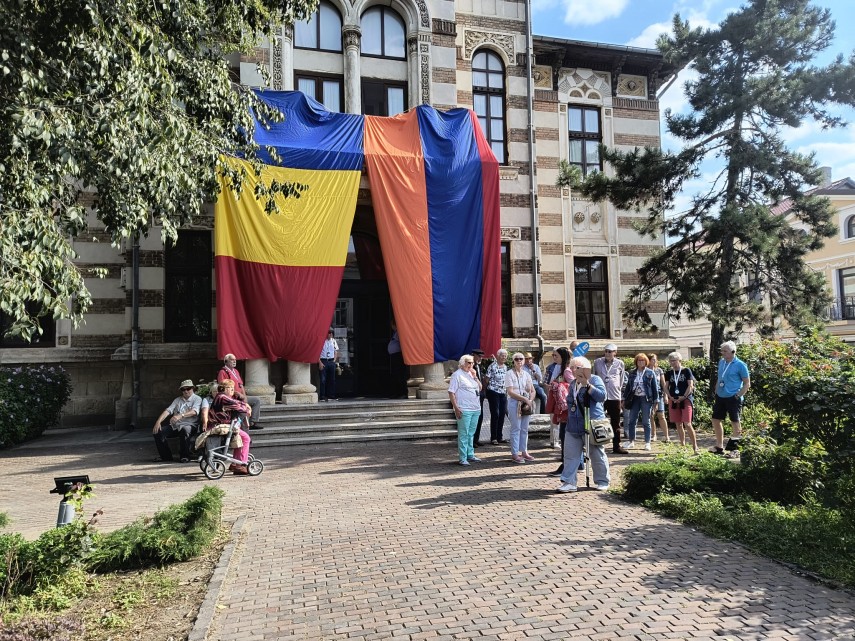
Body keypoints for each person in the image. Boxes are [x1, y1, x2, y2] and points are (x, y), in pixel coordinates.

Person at [556, 356, 610, 493]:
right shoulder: (573, 384)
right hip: (574, 424)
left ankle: (602, 480)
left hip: (592, 423)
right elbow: (570, 401)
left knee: (596, 453)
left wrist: (588, 386)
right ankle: (569, 482)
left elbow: (602, 396)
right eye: (573, 367)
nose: (574, 370)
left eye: (578, 367)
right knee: (570, 454)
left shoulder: (595, 380)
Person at [710, 340, 750, 455]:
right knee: (716, 419)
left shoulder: (741, 365)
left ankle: (735, 449)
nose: (722, 353)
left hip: (733, 397)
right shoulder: (722, 362)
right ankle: (719, 446)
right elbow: (719, 378)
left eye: (725, 351)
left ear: (733, 351)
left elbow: (747, 383)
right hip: (720, 396)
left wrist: (738, 395)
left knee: (735, 422)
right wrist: (716, 391)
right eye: (722, 351)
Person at [152, 379, 202, 463]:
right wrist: (158, 422)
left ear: (193, 388)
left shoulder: (197, 399)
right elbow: (168, 411)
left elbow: (194, 411)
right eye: (183, 389)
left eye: (188, 388)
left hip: (190, 425)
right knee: (158, 431)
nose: (186, 391)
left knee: (185, 429)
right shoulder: (177, 400)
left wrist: (180, 415)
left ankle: (185, 456)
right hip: (176, 426)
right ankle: (166, 457)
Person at [209, 379, 252, 475]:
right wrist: (246, 407)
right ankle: (241, 464)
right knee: (246, 438)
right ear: (223, 388)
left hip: (222, 424)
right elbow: (237, 405)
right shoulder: (222, 397)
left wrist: (244, 404)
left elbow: (236, 403)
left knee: (240, 437)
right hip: (220, 424)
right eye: (229, 388)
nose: (231, 390)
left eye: (232, 388)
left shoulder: (221, 397)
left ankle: (235, 463)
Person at [593, 343, 629, 454]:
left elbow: (622, 379)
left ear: (615, 353)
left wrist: (617, 389)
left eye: (610, 351)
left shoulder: (620, 363)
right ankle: (598, 445)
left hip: (614, 396)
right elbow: (594, 377)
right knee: (597, 421)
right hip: (600, 396)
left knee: (616, 422)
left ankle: (616, 446)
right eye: (606, 351)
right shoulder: (597, 362)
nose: (608, 353)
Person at [448, 355, 483, 465]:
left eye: (472, 363)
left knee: (471, 433)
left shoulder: (471, 374)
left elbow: (480, 388)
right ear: (462, 363)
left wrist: (476, 377)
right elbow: (451, 392)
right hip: (464, 409)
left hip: (476, 408)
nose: (471, 365)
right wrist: (456, 408)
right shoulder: (457, 375)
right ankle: (463, 457)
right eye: (469, 362)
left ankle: (470, 454)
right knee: (464, 434)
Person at [622, 353, 659, 450]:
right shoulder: (632, 373)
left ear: (646, 361)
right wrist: (624, 399)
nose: (641, 362)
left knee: (646, 421)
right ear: (636, 362)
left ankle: (647, 442)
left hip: (646, 399)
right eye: (639, 360)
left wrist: (656, 401)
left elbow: (655, 388)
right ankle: (631, 441)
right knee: (632, 420)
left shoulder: (650, 373)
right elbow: (628, 388)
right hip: (634, 398)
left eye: (643, 360)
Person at [664, 351, 698, 454]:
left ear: (679, 360)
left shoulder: (686, 371)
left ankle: (695, 446)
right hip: (674, 400)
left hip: (685, 399)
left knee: (687, 423)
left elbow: (690, 385)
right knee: (678, 424)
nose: (672, 363)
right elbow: (666, 386)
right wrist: (669, 396)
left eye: (674, 361)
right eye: (670, 361)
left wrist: (683, 397)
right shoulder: (669, 373)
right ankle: (682, 445)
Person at [218, 354, 263, 429]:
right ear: (226, 361)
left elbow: (241, 385)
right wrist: (238, 394)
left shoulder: (236, 371)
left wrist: (244, 396)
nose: (234, 361)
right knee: (242, 406)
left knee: (256, 400)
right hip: (232, 399)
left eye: (235, 359)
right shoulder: (223, 372)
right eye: (232, 359)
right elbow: (224, 387)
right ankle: (244, 424)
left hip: (240, 397)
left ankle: (252, 423)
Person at [505, 352, 536, 463]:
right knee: (516, 427)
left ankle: (524, 451)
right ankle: (515, 453)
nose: (519, 361)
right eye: (517, 359)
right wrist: (525, 399)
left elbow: (532, 390)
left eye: (521, 359)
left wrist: (530, 401)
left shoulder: (526, 374)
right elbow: (510, 392)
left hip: (525, 403)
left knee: (524, 428)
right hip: (515, 402)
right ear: (513, 361)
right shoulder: (509, 373)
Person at [546, 346, 572, 477]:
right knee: (564, 434)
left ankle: (566, 464)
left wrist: (560, 386)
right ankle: (574, 463)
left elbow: (573, 386)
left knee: (564, 435)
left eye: (556, 355)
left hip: (566, 408)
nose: (554, 358)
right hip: (561, 407)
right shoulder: (557, 368)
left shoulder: (567, 371)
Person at [485, 348, 509, 445]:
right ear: (498, 356)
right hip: (493, 391)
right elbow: (486, 379)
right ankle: (493, 437)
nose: (504, 357)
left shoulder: (505, 367)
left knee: (502, 414)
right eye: (502, 355)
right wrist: (487, 391)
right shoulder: (492, 366)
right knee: (496, 414)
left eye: (505, 356)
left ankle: (500, 436)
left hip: (503, 392)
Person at [648, 354, 670, 442]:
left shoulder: (659, 370)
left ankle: (666, 436)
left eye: (655, 359)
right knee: (651, 416)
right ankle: (654, 435)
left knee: (661, 415)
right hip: (649, 396)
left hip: (659, 395)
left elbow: (663, 384)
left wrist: (665, 396)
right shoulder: (645, 370)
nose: (654, 361)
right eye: (652, 359)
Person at [388, 319, 409, 398]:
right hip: (395, 356)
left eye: (392, 325)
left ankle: (402, 393)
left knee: (400, 374)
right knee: (396, 374)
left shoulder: (399, 333)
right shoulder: (396, 333)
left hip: (398, 356)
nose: (391, 327)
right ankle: (397, 393)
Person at [471, 349, 487, 449]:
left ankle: (476, 439)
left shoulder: (478, 366)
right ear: (473, 355)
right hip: (473, 396)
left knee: (480, 417)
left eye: (481, 356)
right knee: (474, 418)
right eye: (479, 356)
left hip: (480, 395)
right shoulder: (470, 367)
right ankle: (471, 440)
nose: (480, 358)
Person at [318, 327, 339, 401]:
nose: (330, 334)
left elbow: (336, 351)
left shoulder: (333, 341)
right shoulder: (322, 341)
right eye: (329, 333)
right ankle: (322, 396)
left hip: (331, 361)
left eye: (331, 333)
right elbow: (317, 353)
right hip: (323, 360)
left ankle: (331, 395)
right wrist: (319, 362)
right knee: (323, 380)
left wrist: (334, 360)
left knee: (332, 379)